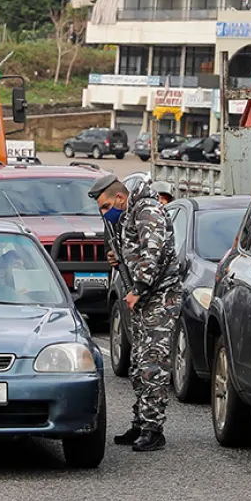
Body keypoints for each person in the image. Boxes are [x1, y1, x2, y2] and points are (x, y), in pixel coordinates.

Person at [90, 172, 180, 452]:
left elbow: (152, 253)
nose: (106, 213)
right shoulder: (128, 215)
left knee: (153, 363)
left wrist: (138, 288)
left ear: (119, 197)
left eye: (107, 206)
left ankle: (154, 429)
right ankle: (141, 422)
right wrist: (117, 258)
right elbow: (133, 250)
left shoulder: (147, 209)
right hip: (143, 298)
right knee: (138, 363)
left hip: (159, 296)